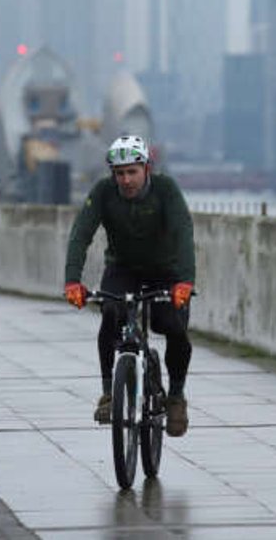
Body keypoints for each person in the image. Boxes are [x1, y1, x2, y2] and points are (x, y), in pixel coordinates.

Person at [63, 134, 195, 437]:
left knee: (172, 326)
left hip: (166, 271)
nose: (125, 180)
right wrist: (72, 280)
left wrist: (185, 281)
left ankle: (175, 395)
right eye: (119, 173)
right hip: (122, 269)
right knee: (111, 315)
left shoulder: (165, 190)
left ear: (146, 168)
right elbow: (80, 234)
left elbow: (183, 232)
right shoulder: (104, 192)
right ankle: (110, 393)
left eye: (132, 172)